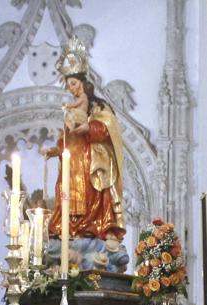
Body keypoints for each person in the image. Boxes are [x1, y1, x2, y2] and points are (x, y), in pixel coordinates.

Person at [43, 42, 126, 250]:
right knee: (67, 194)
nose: (71, 88)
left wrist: (89, 128)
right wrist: (54, 151)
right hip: (73, 162)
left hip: (90, 159)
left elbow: (108, 128)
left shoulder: (97, 105)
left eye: (73, 83)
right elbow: (66, 139)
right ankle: (70, 229)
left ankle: (95, 227)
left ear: (81, 82)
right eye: (68, 84)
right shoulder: (72, 110)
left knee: (93, 192)